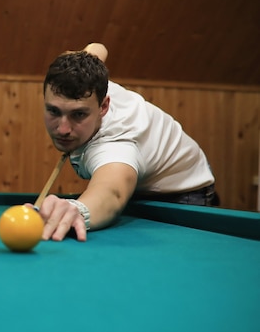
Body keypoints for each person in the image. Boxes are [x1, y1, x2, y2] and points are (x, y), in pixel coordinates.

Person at [34, 43, 217, 242]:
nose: (62, 129)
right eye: (53, 111)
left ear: (103, 106)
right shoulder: (87, 80)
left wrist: (77, 209)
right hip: (144, 184)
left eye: (78, 114)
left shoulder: (115, 144)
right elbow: (98, 48)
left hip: (182, 192)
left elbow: (112, 192)